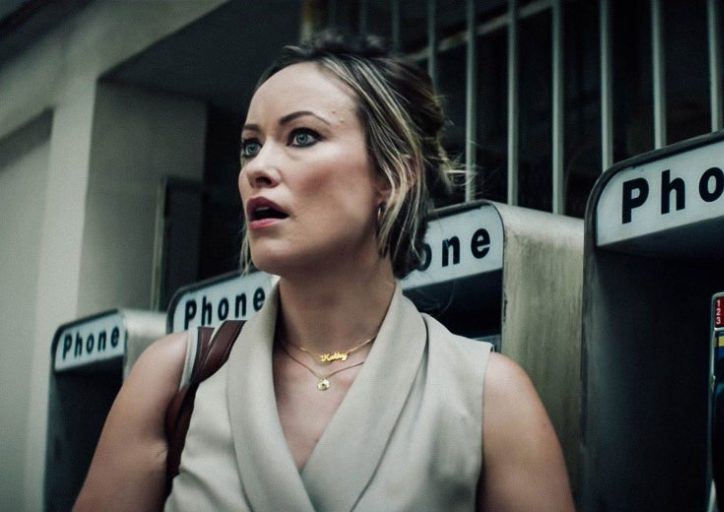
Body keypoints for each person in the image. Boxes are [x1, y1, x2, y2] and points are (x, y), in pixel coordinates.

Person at [74, 33, 575, 512]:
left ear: (392, 175)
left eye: (302, 136)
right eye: (250, 145)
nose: (257, 168)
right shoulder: (175, 376)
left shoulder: (488, 393)